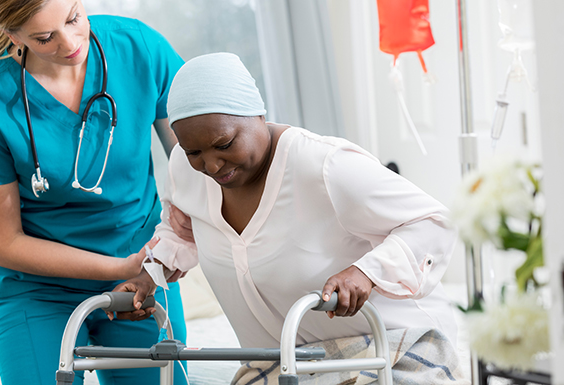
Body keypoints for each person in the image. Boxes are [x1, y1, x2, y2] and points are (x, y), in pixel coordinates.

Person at [115, 53, 459, 354]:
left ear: (257, 114)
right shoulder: (184, 168)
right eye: (194, 152)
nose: (212, 165)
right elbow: (184, 230)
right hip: (283, 364)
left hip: (393, 351)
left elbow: (433, 222)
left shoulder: (323, 165)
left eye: (224, 144)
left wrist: (367, 272)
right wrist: (150, 275)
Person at [0, 0, 191, 383]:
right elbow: (2, 242)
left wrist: (169, 253)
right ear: (12, 36)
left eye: (73, 18)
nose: (70, 42)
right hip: (35, 288)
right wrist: (121, 266)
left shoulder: (138, 49)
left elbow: (202, 163)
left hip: (142, 278)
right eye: (44, 37)